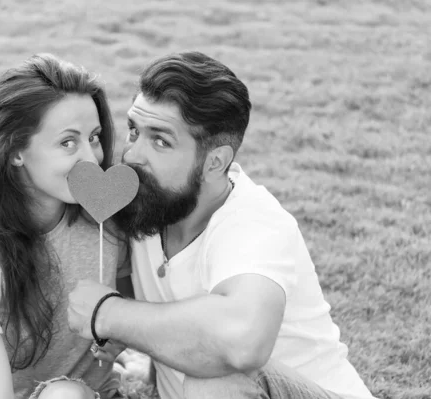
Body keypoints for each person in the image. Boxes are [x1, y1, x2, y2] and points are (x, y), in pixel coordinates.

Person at [67, 51, 377, 399]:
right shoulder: (149, 202)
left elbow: (242, 342)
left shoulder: (254, 224)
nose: (133, 155)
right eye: (134, 131)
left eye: (160, 141)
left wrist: (107, 314)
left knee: (218, 378)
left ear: (215, 162)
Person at [0, 53, 132, 399]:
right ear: (15, 151)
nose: (91, 158)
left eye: (95, 137)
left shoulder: (107, 221)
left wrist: (122, 330)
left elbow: (139, 303)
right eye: (68, 142)